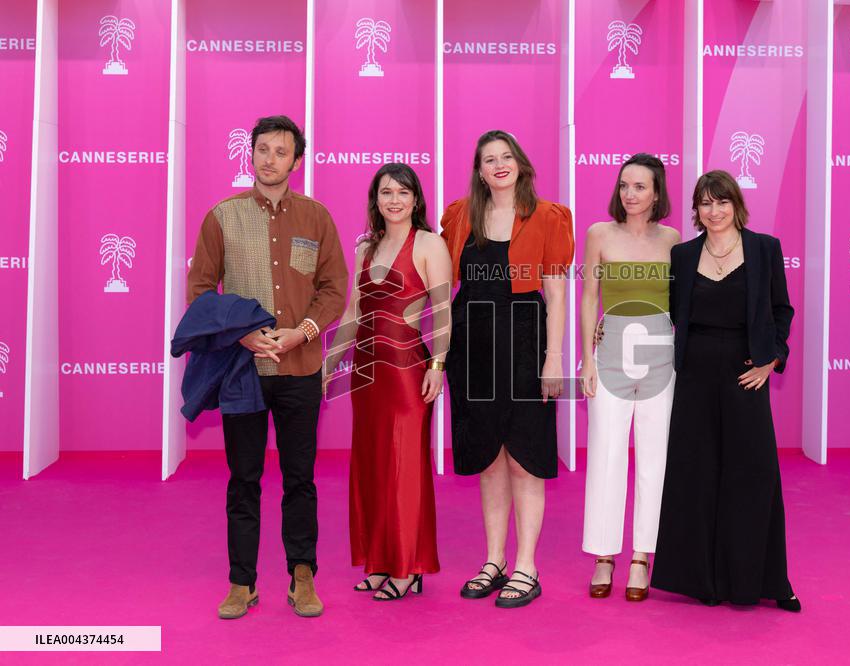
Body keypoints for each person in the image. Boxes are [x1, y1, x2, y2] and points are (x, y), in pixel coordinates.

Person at [187, 115, 349, 620]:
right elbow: (199, 293)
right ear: (250, 154)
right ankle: (242, 582)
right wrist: (243, 334)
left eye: (281, 151)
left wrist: (303, 330)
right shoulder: (222, 216)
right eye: (262, 149)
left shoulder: (317, 218)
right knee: (244, 479)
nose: (269, 159)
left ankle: (303, 576)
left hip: (300, 368)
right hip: (243, 372)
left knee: (300, 478)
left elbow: (334, 288)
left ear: (296, 161)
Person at [650, 170, 800, 612]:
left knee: (753, 476)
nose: (713, 211)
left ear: (736, 204)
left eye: (721, 202)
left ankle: (770, 580)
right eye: (704, 203)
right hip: (695, 374)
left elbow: (781, 309)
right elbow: (668, 312)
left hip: (744, 372)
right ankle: (704, 582)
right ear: (695, 210)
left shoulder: (764, 249)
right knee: (696, 475)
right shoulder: (682, 255)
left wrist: (772, 359)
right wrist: (609, 326)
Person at [440, 130, 573, 608]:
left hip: (525, 343)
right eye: (488, 159)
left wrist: (552, 359)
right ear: (479, 170)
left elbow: (556, 293)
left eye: (506, 156)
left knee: (524, 459)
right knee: (490, 460)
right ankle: (494, 560)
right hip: (472, 348)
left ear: (520, 162)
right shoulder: (459, 216)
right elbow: (441, 281)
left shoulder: (548, 217)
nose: (498, 165)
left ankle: (526, 567)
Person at [323, 163, 451, 601]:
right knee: (372, 465)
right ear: (375, 201)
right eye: (385, 193)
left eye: (402, 192)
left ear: (416, 199)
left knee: (405, 465)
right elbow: (353, 316)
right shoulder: (365, 248)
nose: (393, 200)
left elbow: (442, 312)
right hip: (365, 371)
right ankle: (379, 561)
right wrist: (328, 364)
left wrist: (437, 367)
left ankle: (407, 565)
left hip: (406, 369)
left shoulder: (430, 244)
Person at [579, 154, 680, 602]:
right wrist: (587, 359)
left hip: (661, 357)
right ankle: (604, 554)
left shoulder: (675, 240)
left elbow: (682, 303)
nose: (630, 194)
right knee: (606, 453)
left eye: (640, 186)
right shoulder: (599, 234)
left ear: (657, 193)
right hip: (611, 356)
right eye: (624, 185)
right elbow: (588, 299)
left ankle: (642, 556)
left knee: (656, 458)